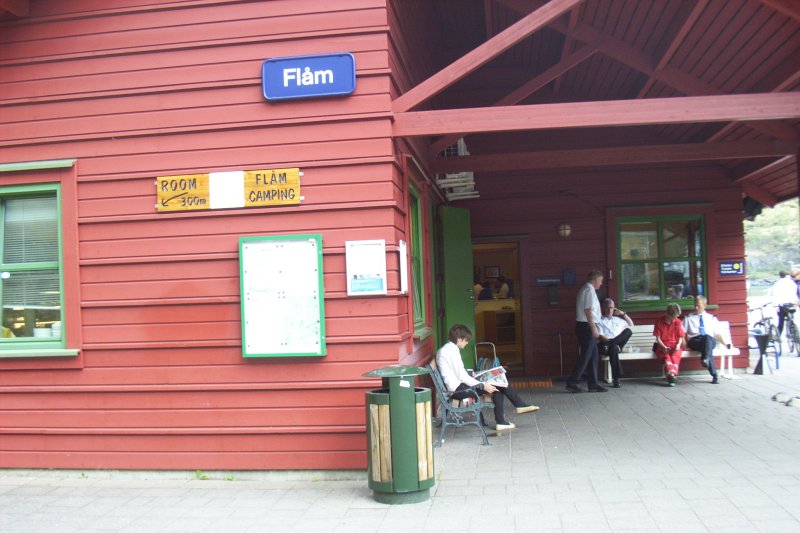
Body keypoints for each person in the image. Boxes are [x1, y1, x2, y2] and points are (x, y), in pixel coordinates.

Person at [436, 324, 539, 431]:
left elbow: (456, 373)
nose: (467, 343)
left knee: (497, 384)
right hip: (459, 391)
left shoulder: (448, 349)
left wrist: (474, 375)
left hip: (458, 387)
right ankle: (510, 412)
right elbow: (461, 376)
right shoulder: (451, 352)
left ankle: (512, 411)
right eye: (466, 340)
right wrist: (482, 384)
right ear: (459, 339)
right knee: (498, 386)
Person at [566, 270, 607, 393]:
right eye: (600, 281)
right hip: (587, 326)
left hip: (585, 326)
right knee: (586, 355)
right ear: (595, 280)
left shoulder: (586, 289)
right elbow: (588, 310)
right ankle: (573, 381)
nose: (601, 283)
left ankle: (593, 383)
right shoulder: (589, 290)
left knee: (593, 355)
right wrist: (594, 328)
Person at [596, 298, 633, 388]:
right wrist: (612, 343)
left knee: (628, 331)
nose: (610, 310)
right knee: (613, 348)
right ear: (603, 308)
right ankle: (616, 379)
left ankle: (613, 344)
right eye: (607, 308)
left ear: (614, 308)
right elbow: (601, 336)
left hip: (615, 343)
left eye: (611, 308)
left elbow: (632, 325)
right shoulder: (599, 321)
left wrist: (623, 314)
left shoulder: (618, 320)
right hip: (605, 343)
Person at [683, 296, 720, 384]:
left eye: (698, 305)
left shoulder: (712, 318)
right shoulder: (688, 318)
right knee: (707, 347)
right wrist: (685, 346)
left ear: (705, 305)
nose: (696, 308)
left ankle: (706, 360)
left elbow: (718, 334)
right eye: (695, 305)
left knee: (707, 338)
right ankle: (708, 363)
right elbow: (681, 334)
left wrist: (727, 344)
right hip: (695, 342)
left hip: (709, 340)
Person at [654, 303, 685, 387]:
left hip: (675, 345)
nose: (675, 319)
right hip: (662, 345)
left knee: (675, 356)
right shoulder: (659, 322)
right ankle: (672, 374)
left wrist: (678, 345)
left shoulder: (678, 322)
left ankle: (671, 375)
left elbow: (680, 336)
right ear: (668, 314)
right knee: (666, 357)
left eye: (676, 317)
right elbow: (658, 339)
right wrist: (663, 347)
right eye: (674, 317)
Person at [772, 271, 799, 336]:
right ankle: (792, 330)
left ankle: (778, 335)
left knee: (781, 321)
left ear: (779, 276)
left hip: (782, 305)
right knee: (791, 317)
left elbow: (775, 295)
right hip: (791, 304)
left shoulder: (777, 284)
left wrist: (775, 306)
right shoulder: (792, 283)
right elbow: (796, 292)